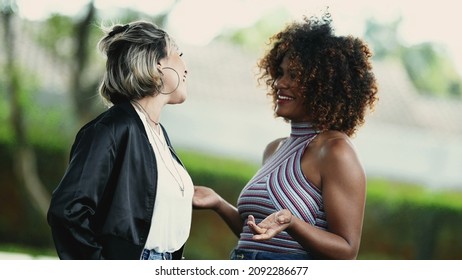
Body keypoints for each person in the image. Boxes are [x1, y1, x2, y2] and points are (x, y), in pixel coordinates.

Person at [193, 14, 378, 260]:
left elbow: (347, 250)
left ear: (324, 85)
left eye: (294, 76)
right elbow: (258, 235)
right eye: (280, 73)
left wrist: (292, 222)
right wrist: (218, 203)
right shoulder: (274, 148)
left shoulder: (335, 150)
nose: (280, 83)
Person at [47, 20, 193, 260]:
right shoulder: (111, 129)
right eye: (179, 54)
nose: (186, 67)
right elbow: (67, 211)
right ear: (158, 65)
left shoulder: (157, 133)